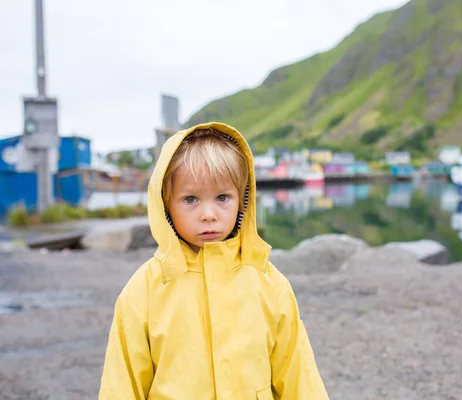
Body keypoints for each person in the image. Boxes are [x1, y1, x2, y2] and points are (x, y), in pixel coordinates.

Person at [99, 122, 329, 399]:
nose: (208, 214)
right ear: (165, 203)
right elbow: (122, 384)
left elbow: (298, 378)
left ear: (243, 200)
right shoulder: (144, 292)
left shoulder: (270, 284)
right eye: (190, 199)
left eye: (222, 197)